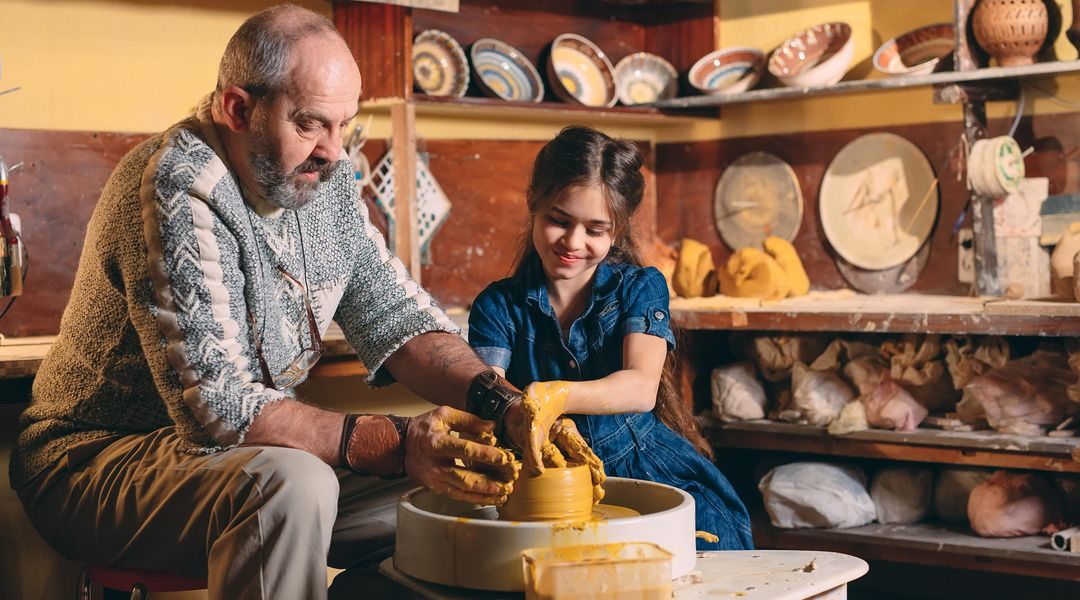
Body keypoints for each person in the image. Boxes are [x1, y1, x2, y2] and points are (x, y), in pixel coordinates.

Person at [9, 6, 596, 599]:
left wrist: (504, 405)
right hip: (94, 462)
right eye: (312, 124)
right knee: (293, 485)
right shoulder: (177, 181)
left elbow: (398, 316)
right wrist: (399, 441)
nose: (335, 151)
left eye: (345, 125)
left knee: (480, 478)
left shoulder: (322, 179)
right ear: (238, 109)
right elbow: (222, 409)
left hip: (237, 458)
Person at [468, 125, 754, 550]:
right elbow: (486, 396)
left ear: (616, 232)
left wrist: (555, 396)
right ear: (534, 202)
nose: (573, 242)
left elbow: (640, 388)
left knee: (707, 555)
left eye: (595, 230)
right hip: (544, 479)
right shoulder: (498, 306)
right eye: (558, 221)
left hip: (642, 466)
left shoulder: (640, 288)